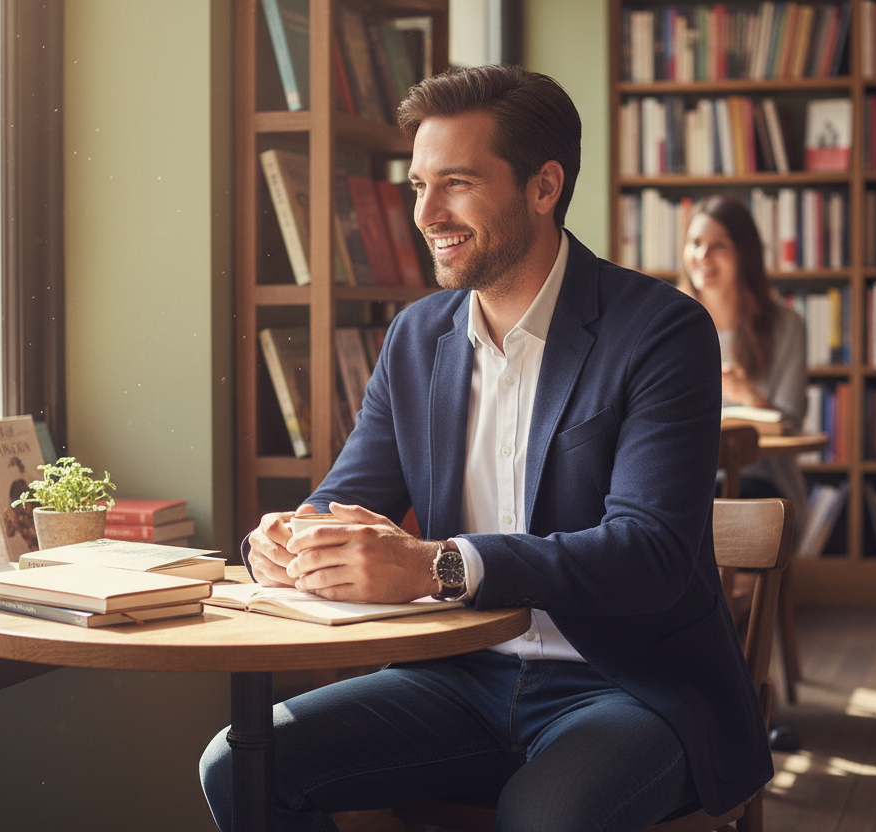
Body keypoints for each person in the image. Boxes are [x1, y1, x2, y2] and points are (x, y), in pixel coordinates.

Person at [200, 65, 772, 832]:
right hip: (456, 680)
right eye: (416, 187)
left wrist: (440, 565)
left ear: (544, 187)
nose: (427, 213)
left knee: (542, 817)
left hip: (629, 685)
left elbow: (652, 553)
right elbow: (346, 495)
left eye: (457, 183)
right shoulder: (416, 338)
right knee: (239, 766)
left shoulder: (662, 332)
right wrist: (287, 539)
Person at [679, 196, 808, 525]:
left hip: (760, 481)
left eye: (718, 245)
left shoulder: (786, 327)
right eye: (695, 243)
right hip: (683, 474)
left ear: (744, 255)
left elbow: (791, 426)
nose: (702, 256)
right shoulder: (669, 325)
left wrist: (746, 393)